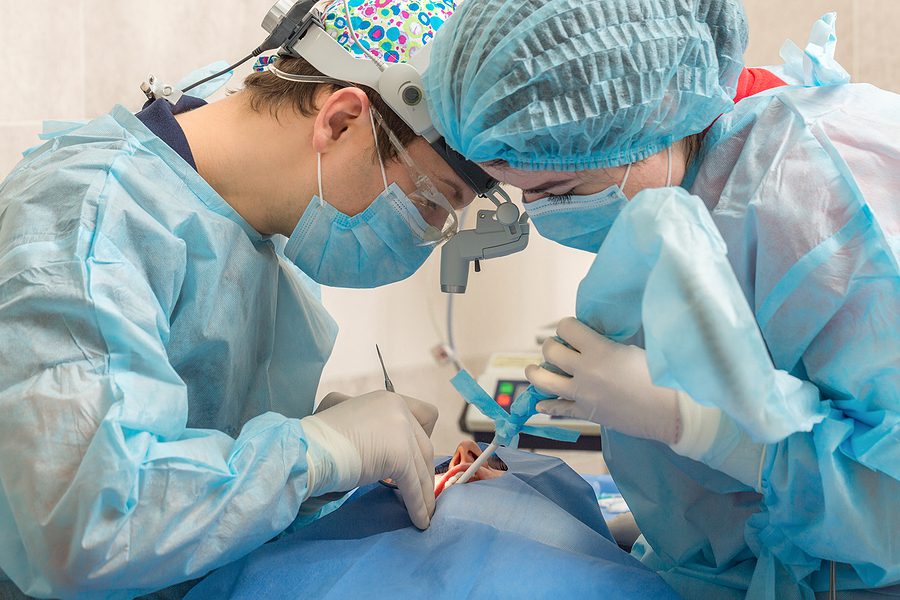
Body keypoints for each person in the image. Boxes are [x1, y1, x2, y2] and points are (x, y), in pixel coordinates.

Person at [423, 1, 900, 598]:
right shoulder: (694, 198)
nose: (547, 219)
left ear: (662, 107)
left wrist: (699, 423)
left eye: (560, 189)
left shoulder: (807, 192)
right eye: (530, 198)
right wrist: (620, 535)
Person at [0, 1, 473, 597]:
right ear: (341, 121)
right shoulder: (89, 223)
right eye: (432, 200)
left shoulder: (256, 234)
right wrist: (313, 454)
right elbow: (85, 528)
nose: (424, 234)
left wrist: (318, 469)